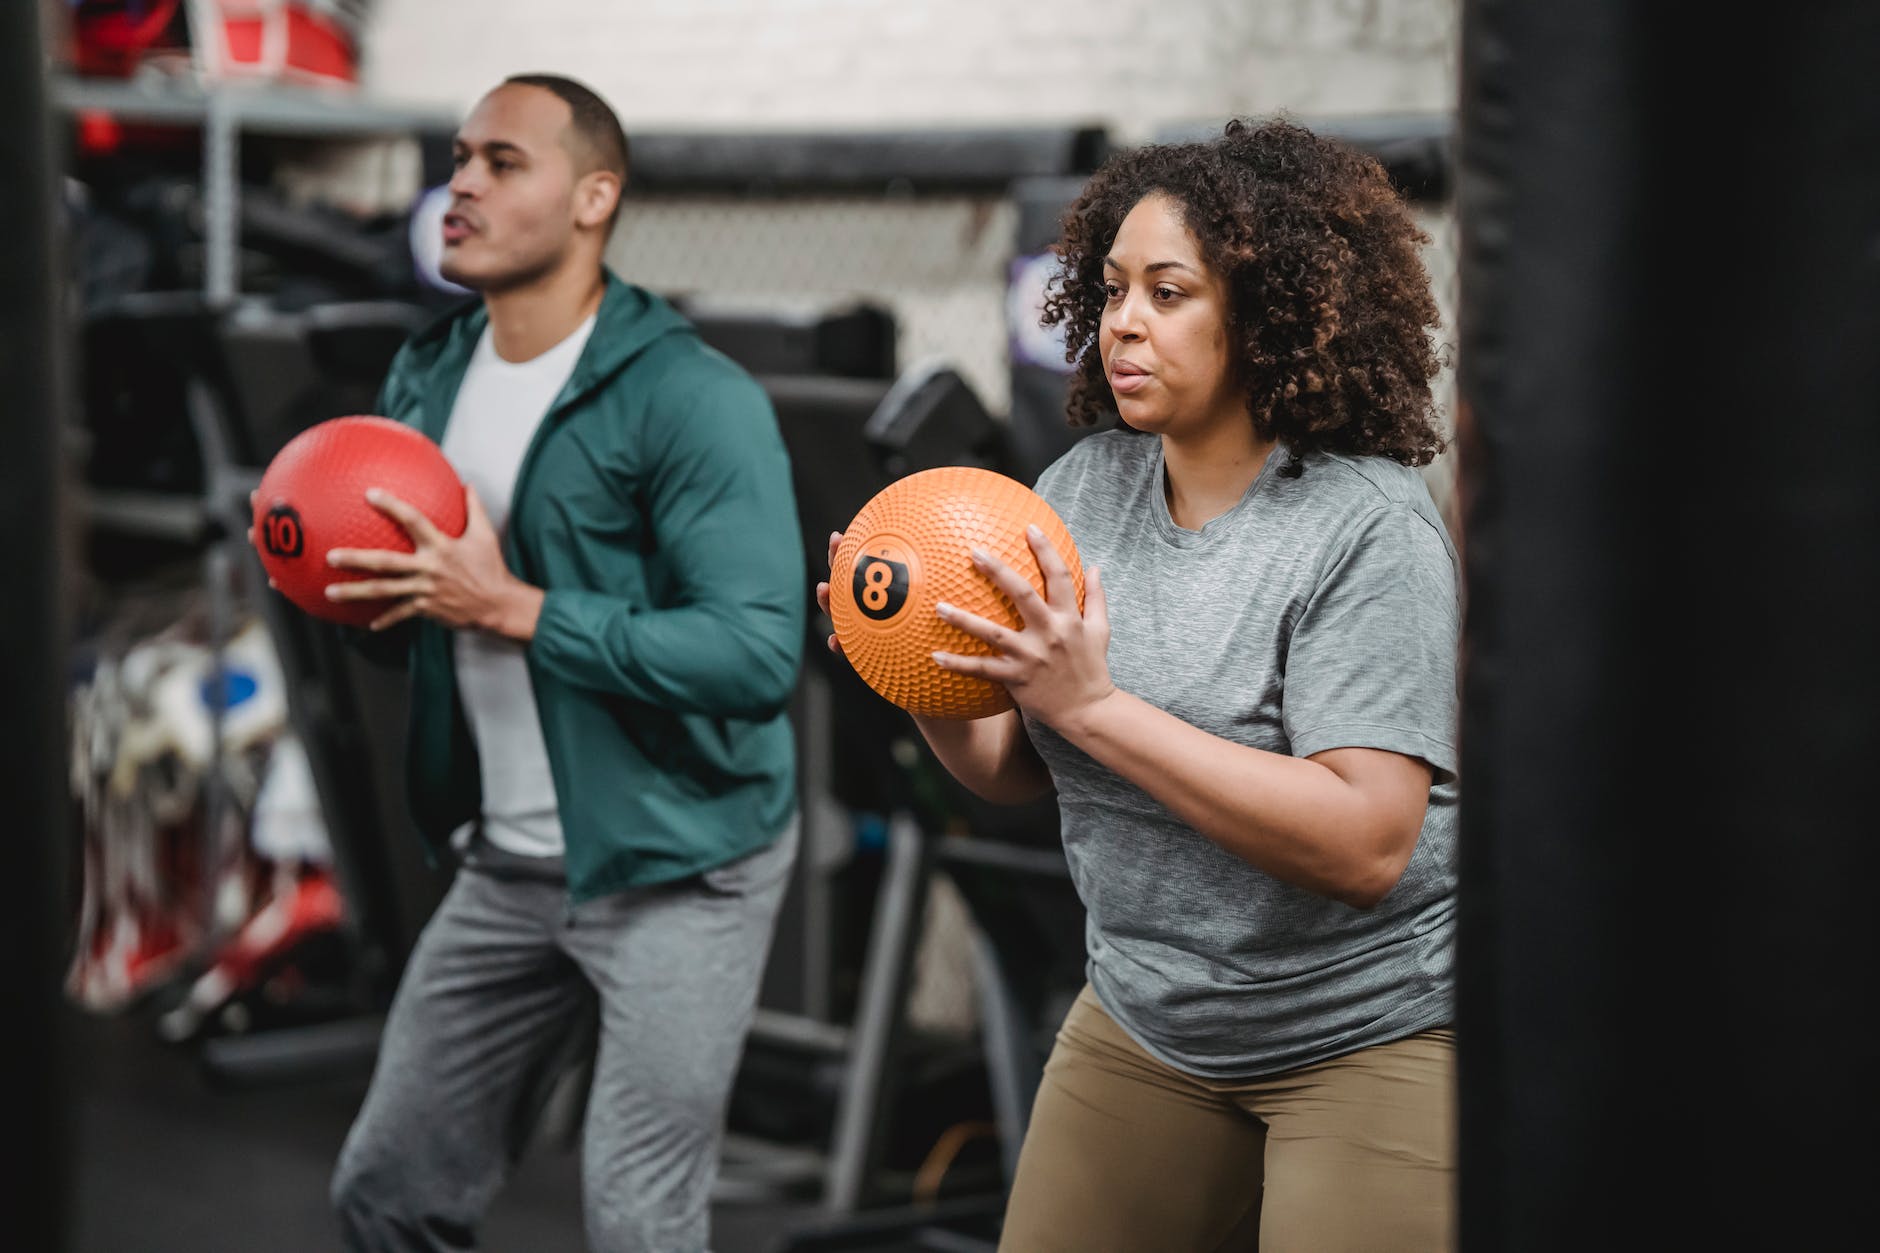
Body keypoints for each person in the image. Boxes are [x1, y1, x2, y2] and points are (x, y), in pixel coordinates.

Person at [818, 117, 1460, 1251]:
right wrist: (911, 659)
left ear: (1262, 314)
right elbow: (1012, 770)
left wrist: (1095, 708)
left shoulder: (1364, 529)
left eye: (1168, 293)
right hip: (1149, 1013)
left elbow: (1365, 842)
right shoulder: (1081, 489)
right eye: (1111, 289)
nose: (1121, 322)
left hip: (1364, 1030)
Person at [306, 73, 806, 1253]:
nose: (461, 182)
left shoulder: (693, 398)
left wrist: (517, 606)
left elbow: (755, 654)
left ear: (594, 196)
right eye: (458, 155)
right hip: (508, 863)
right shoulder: (424, 378)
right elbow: (408, 637)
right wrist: (328, 579)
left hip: (683, 863)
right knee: (386, 1190)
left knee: (638, 1224)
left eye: (501, 161)